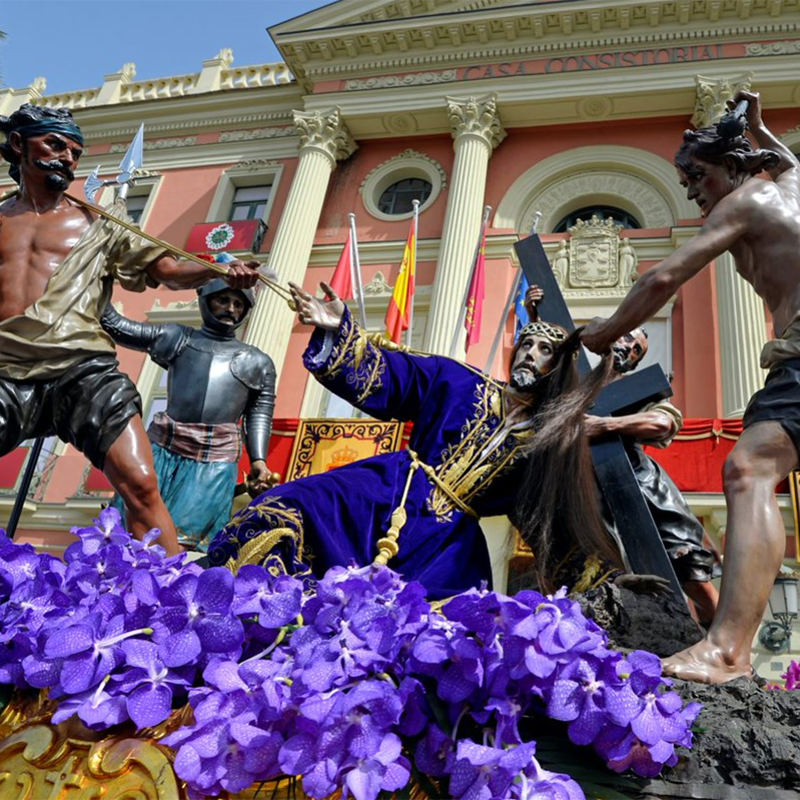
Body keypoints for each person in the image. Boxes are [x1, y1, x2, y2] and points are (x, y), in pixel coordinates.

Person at [207, 281, 618, 599]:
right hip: (388, 491)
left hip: (448, 542)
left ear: (560, 368)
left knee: (443, 628)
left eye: (545, 350)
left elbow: (551, 521)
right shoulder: (458, 380)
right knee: (289, 511)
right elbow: (390, 374)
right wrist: (339, 330)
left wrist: (606, 581)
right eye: (526, 343)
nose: (530, 353)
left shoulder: (545, 445)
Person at [581, 90, 800, 683]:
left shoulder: (748, 200)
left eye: (696, 175)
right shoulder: (786, 185)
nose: (691, 189)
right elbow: (784, 159)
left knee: (749, 469)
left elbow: (665, 275)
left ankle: (727, 649)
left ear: (734, 166)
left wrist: (604, 331)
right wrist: (756, 125)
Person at [0, 104, 260, 555]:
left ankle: (177, 596)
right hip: (6, 366)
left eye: (75, 152)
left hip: (82, 369)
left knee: (141, 484)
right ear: (19, 144)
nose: (66, 159)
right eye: (55, 144)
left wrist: (215, 268)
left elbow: (168, 269)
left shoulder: (101, 222)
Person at [102, 274, 276, 551]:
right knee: (127, 535)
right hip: (161, 449)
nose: (231, 309)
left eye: (238, 304)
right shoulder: (177, 337)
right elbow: (114, 324)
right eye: (223, 300)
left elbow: (259, 413)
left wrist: (259, 459)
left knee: (179, 546)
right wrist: (100, 274)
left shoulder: (258, 361)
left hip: (215, 461)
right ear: (206, 300)